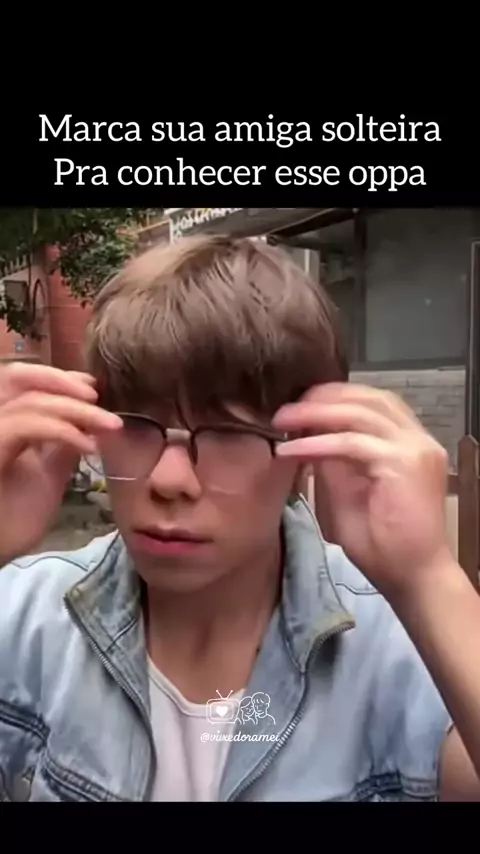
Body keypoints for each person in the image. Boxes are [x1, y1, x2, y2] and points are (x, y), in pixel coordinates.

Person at [0, 235, 479, 803]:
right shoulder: (27, 618)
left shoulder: (400, 645)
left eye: (228, 434)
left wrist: (429, 578)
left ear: (309, 445)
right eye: (135, 424)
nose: (169, 480)